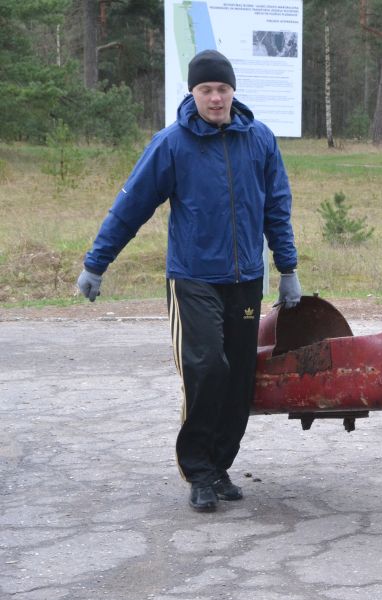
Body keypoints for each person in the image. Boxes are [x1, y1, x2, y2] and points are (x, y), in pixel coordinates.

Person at [76, 49, 302, 512]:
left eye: (222, 89)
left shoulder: (259, 139)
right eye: (206, 90)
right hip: (193, 278)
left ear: (233, 90)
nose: (215, 98)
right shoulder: (172, 144)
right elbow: (131, 206)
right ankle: (197, 470)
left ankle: (219, 467)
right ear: (192, 93)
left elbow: (276, 206)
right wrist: (96, 263)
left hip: (246, 278)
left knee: (239, 378)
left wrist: (288, 269)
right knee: (207, 368)